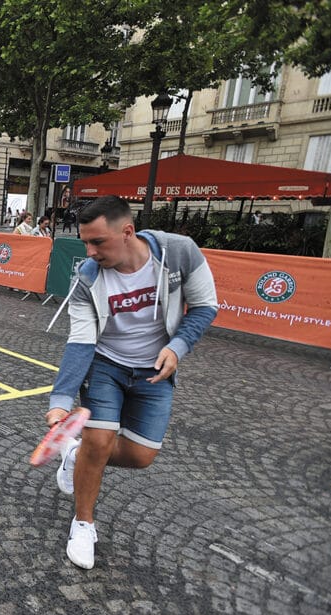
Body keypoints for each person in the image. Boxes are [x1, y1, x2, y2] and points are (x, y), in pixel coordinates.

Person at [44, 195, 218, 570]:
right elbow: (80, 342)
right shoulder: (87, 280)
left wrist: (179, 346)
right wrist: (60, 399)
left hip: (155, 369)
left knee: (141, 456)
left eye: (98, 242)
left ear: (128, 231)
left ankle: (77, 455)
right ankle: (83, 524)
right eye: (85, 242)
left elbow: (206, 305)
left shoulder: (179, 252)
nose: (89, 252)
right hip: (106, 365)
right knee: (101, 438)